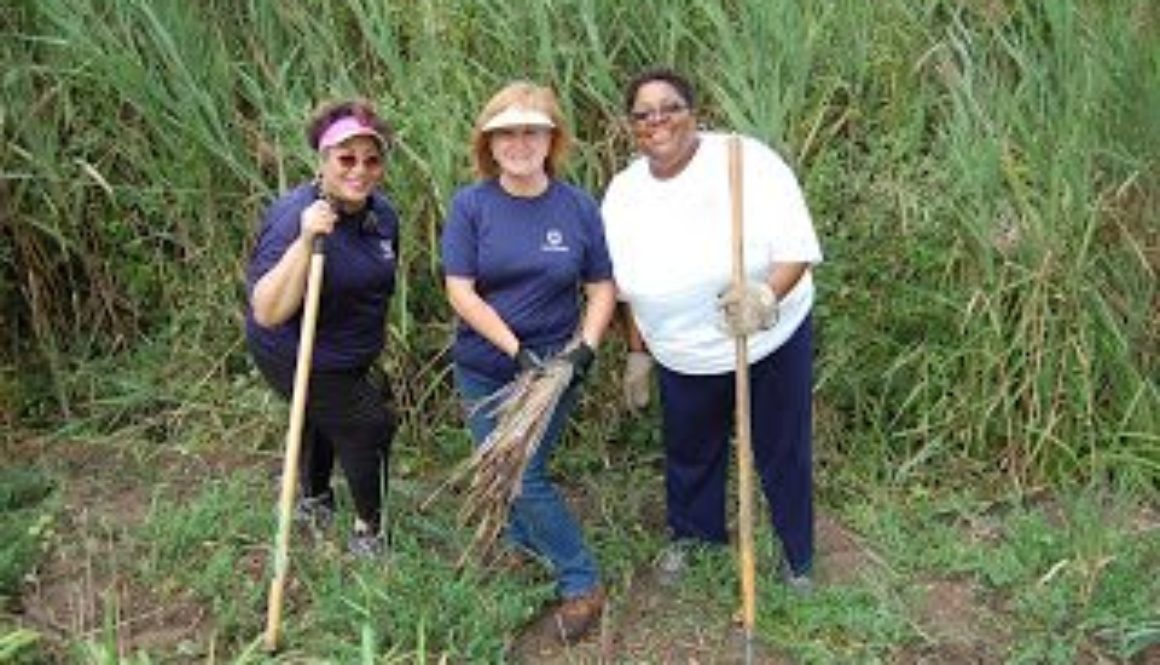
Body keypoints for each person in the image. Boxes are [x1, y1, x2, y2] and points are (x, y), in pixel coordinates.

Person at [601, 68, 823, 592]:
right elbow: (625, 288)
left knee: (779, 447)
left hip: (764, 338)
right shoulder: (624, 192)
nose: (658, 120)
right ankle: (695, 539)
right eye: (643, 113)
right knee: (690, 450)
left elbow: (798, 251)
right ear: (630, 125)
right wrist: (638, 354)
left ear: (693, 111)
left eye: (670, 107)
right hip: (681, 354)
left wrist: (766, 294)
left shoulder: (744, 160)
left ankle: (797, 556)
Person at [440, 81, 616, 642]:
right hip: (486, 367)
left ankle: (581, 581)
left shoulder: (576, 207)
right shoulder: (471, 206)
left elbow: (602, 287)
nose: (519, 142)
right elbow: (461, 291)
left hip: (555, 370)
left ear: (551, 138)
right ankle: (519, 550)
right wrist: (517, 351)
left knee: (523, 473)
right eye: (506, 133)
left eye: (531, 130)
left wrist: (584, 348)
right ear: (489, 144)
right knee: (502, 467)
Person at [246, 98, 399, 558]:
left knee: (322, 414)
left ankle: (314, 501)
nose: (360, 171)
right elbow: (268, 310)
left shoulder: (382, 215)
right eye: (346, 159)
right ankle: (368, 535)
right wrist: (307, 239)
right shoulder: (294, 216)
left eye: (372, 160)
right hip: (296, 351)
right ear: (323, 160)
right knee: (370, 425)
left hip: (347, 352)